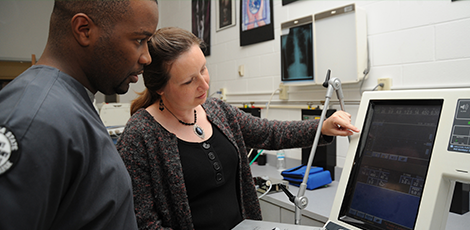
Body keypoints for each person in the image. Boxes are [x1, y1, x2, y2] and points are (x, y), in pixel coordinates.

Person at [117, 27, 359, 230]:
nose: (204, 84)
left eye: (203, 69)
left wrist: (322, 127)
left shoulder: (217, 111)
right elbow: (144, 221)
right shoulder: (140, 136)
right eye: (189, 81)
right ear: (160, 87)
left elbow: (269, 132)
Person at [0, 1, 159, 229]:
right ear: (84, 30)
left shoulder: (71, 102)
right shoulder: (34, 119)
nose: (146, 57)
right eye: (139, 40)